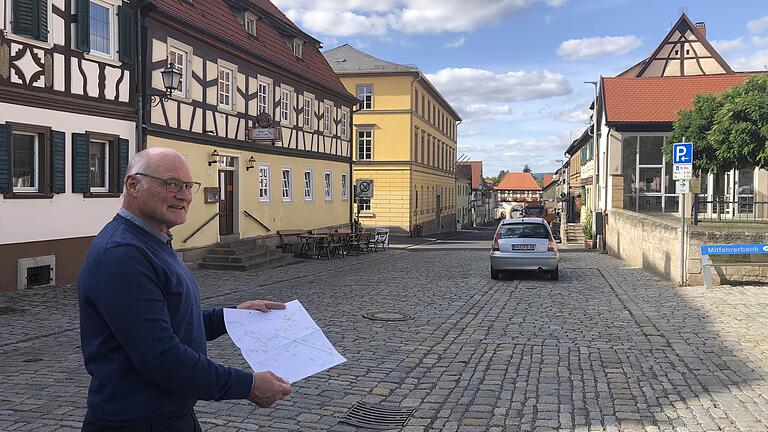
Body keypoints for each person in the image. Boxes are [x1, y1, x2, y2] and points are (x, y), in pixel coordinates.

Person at [78, 147, 291, 432]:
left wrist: (232, 317)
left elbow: (172, 322)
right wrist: (247, 385)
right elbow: (160, 356)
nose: (185, 196)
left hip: (166, 415)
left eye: (188, 186)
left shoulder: (152, 241)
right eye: (171, 184)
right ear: (133, 185)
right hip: (136, 421)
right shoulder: (123, 254)